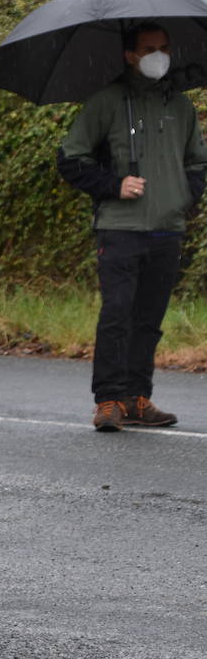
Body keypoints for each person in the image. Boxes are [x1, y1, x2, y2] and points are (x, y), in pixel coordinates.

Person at [57, 22, 207, 432]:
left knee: (149, 319)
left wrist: (183, 196)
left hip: (167, 230)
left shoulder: (181, 106)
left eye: (164, 48)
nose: (159, 55)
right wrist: (112, 184)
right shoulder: (106, 102)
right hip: (120, 229)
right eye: (149, 48)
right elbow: (71, 159)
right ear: (130, 55)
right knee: (117, 315)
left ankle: (138, 398)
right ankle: (108, 400)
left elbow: (198, 161)